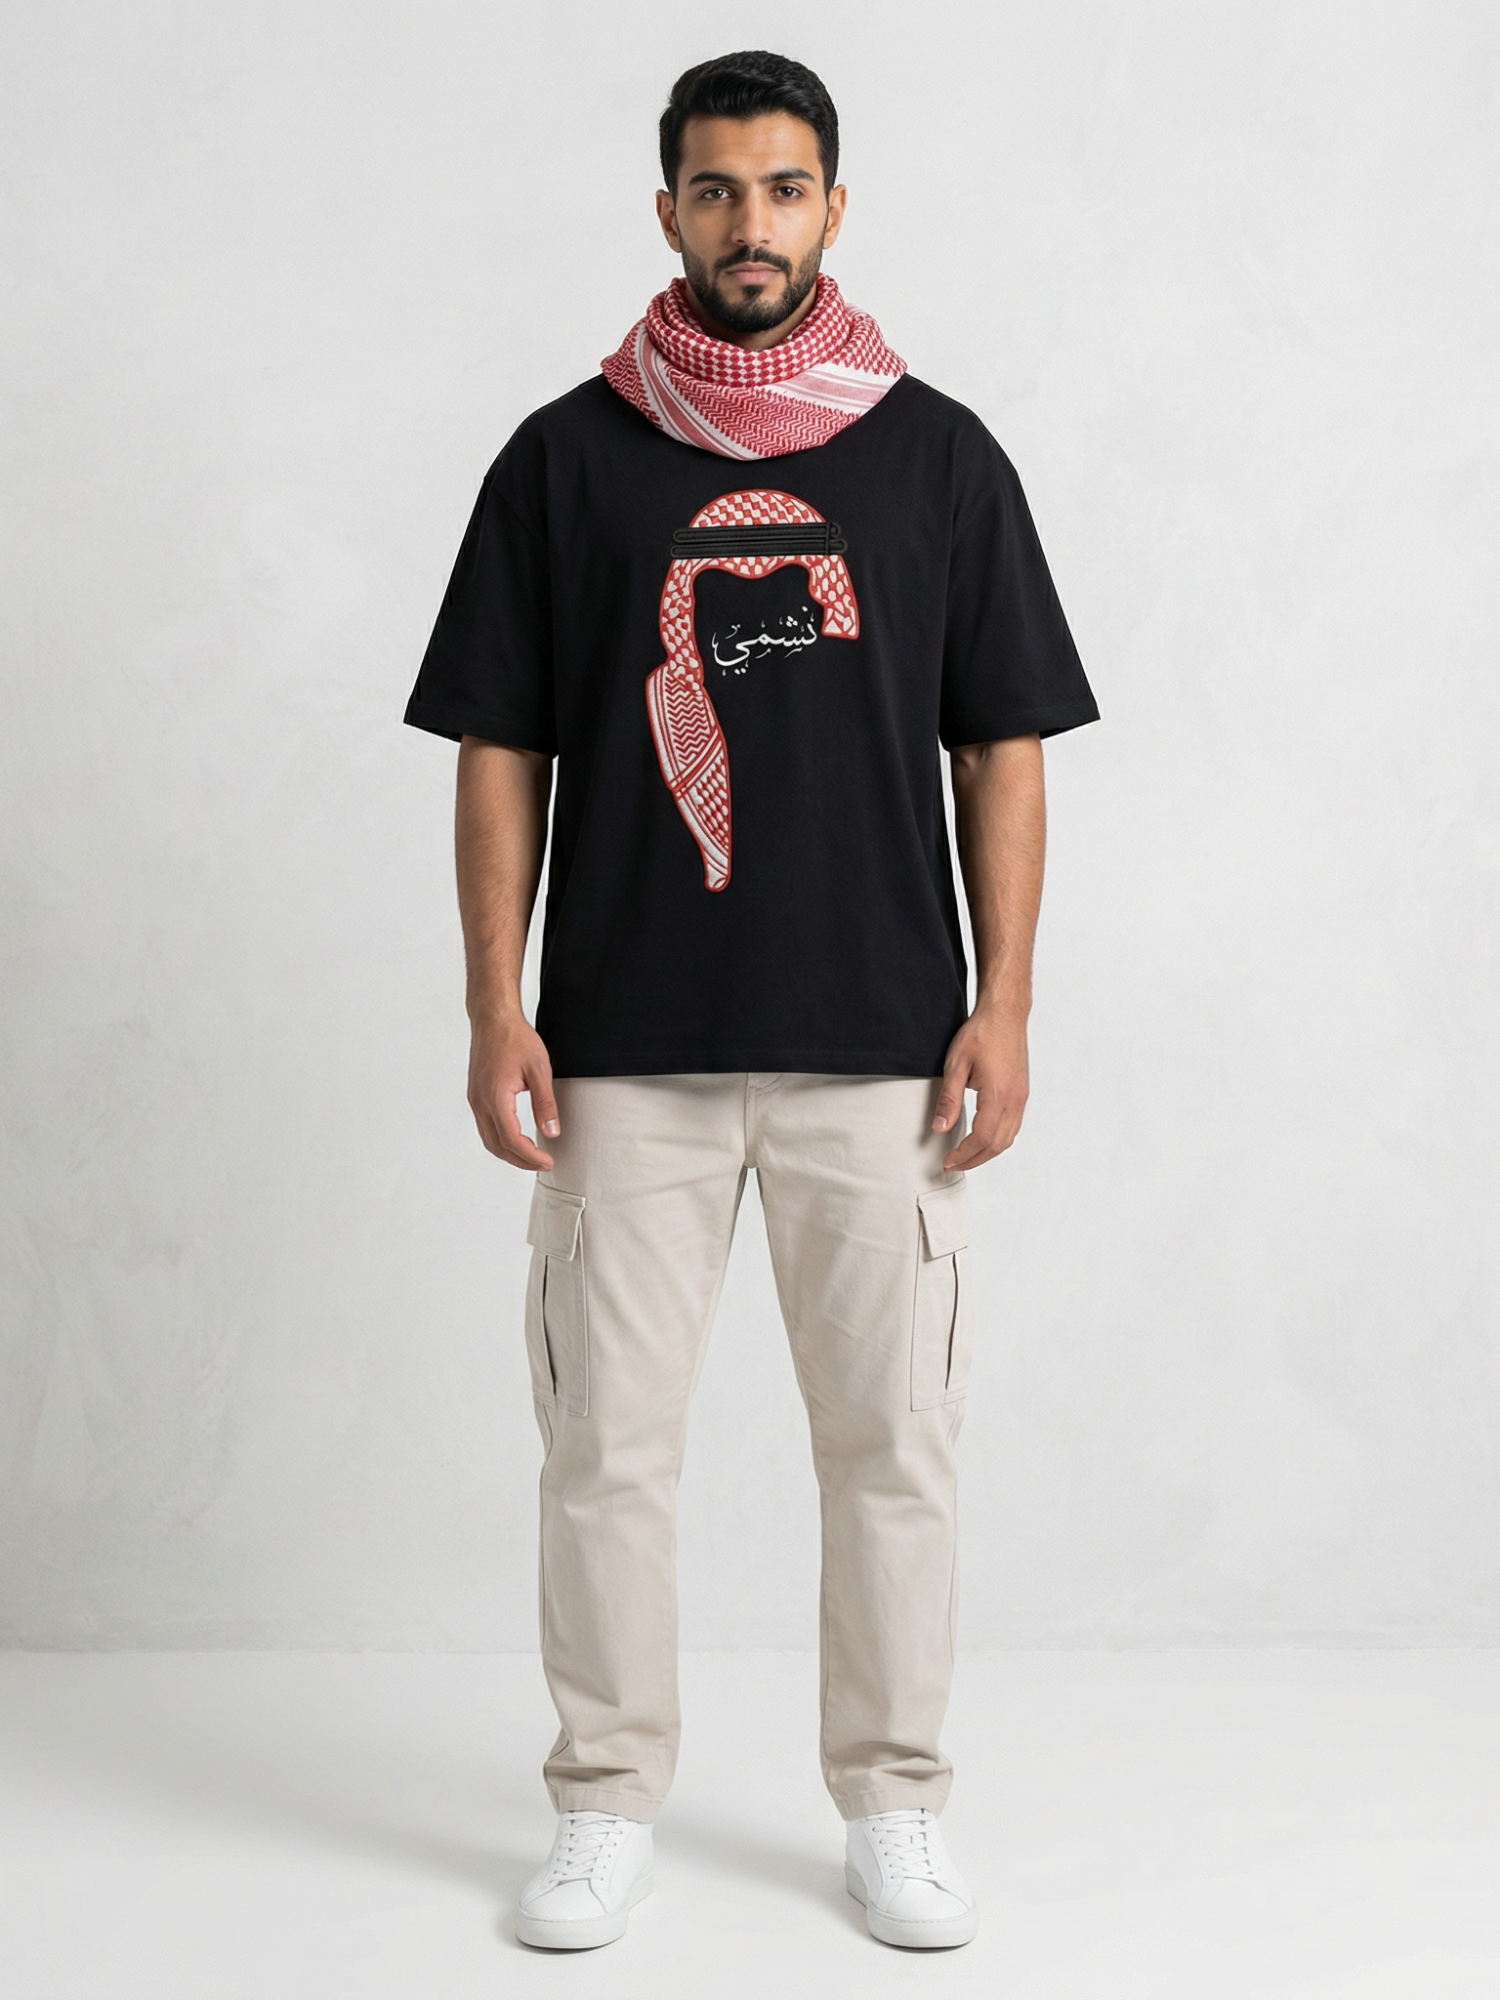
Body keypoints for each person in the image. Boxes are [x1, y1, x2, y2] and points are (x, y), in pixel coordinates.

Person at [404, 49, 1098, 1953]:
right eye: (716, 189)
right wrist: (493, 1003)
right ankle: (604, 1802)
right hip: (624, 1048)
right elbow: (499, 747)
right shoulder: (567, 458)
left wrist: (1007, 1002)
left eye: (785, 188)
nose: (751, 223)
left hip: (885, 1046)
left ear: (835, 209)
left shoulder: (936, 456)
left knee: (895, 1452)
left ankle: (895, 1803)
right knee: (604, 1453)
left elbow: (1003, 745)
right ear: (667, 213)